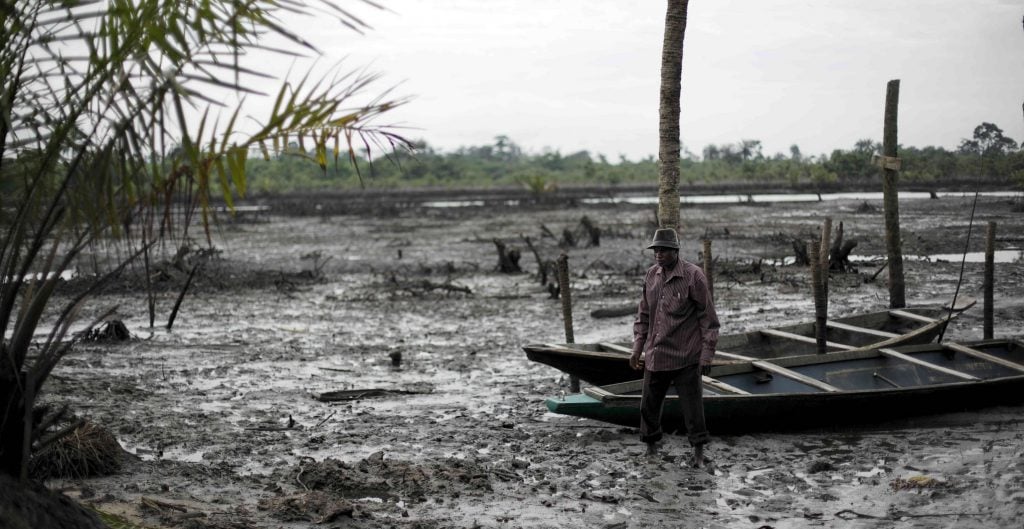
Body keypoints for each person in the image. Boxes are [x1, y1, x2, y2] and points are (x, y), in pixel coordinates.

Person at [629, 227, 720, 468]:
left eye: (664, 250)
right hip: (656, 354)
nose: (659, 254)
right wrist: (637, 348)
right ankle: (650, 449)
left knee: (693, 409)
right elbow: (643, 315)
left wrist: (707, 355)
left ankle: (699, 454)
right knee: (648, 405)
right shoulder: (651, 276)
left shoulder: (693, 276)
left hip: (685, 355)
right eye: (656, 250)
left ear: (676, 251)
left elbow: (708, 319)